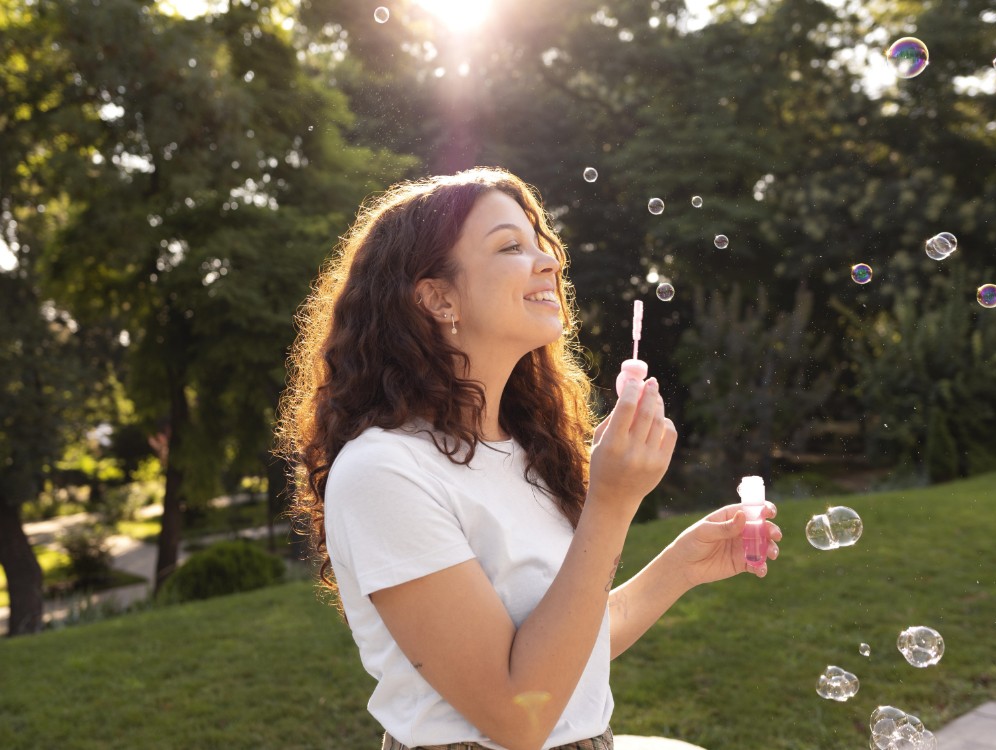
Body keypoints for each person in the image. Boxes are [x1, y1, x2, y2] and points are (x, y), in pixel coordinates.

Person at [276, 167, 781, 750]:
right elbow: (519, 716)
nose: (550, 262)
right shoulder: (384, 473)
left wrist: (680, 568)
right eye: (511, 247)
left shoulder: (523, 449)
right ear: (438, 297)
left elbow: (562, 650)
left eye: (540, 244)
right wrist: (612, 502)